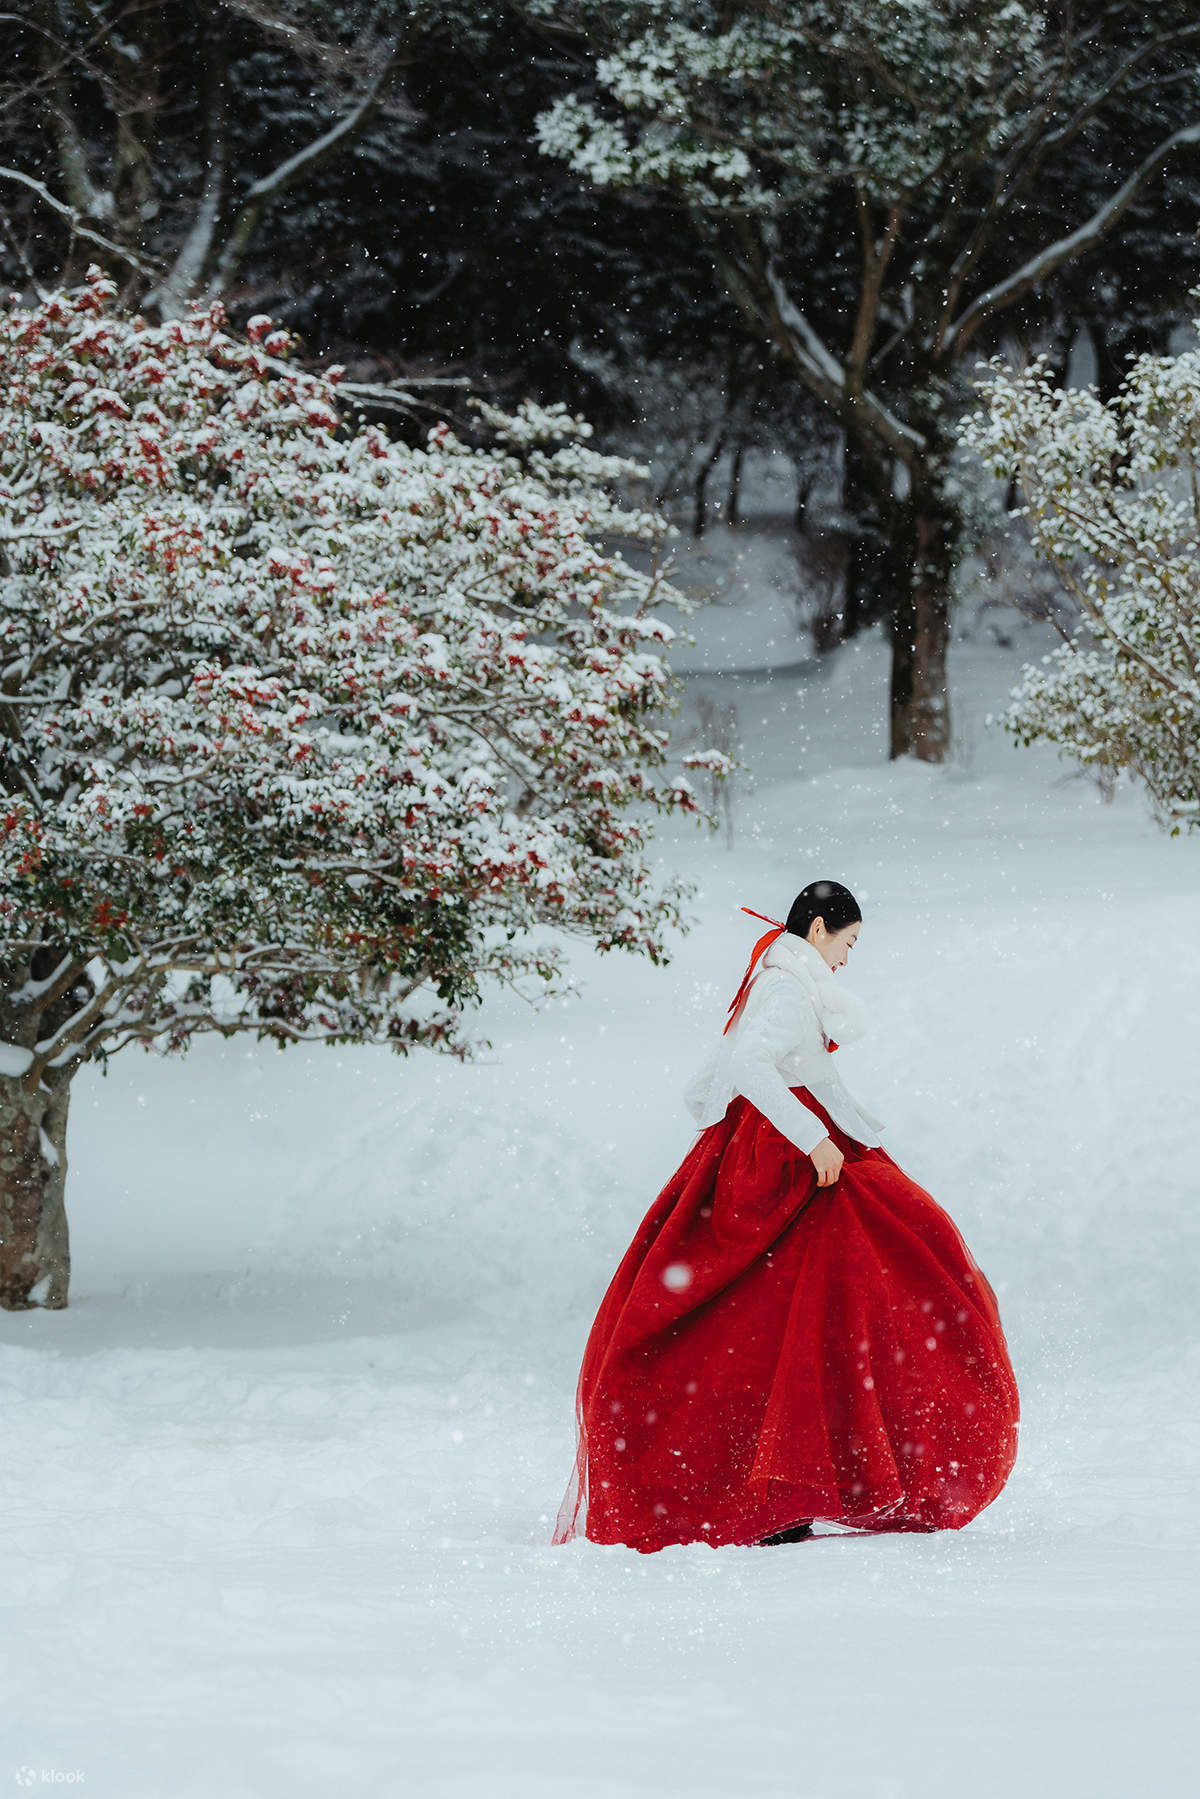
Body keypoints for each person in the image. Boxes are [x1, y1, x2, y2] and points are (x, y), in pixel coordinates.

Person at [550, 880, 1020, 1552]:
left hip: (790, 1144)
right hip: (779, 1157)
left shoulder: (788, 981)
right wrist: (814, 1138)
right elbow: (749, 1062)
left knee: (794, 1304)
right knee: (796, 1301)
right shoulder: (784, 985)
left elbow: (772, 1068)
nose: (848, 960)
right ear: (821, 927)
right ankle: (787, 1481)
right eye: (847, 943)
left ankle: (792, 1480)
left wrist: (843, 1132)